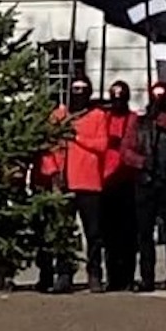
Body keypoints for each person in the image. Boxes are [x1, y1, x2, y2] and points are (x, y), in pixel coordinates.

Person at [121, 82, 166, 292]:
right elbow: (125, 150)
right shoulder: (139, 122)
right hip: (146, 182)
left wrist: (161, 118)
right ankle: (147, 277)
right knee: (144, 233)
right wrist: (141, 162)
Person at [38, 75, 109, 293]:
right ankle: (64, 274)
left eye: (82, 89)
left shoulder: (97, 115)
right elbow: (47, 146)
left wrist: (77, 137)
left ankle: (95, 273)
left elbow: (102, 145)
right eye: (74, 89)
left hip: (89, 182)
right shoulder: (58, 116)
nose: (78, 93)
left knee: (93, 233)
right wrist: (51, 171)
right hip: (63, 181)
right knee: (62, 231)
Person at [101, 80, 139, 291]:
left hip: (127, 178)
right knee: (109, 233)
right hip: (107, 180)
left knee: (128, 232)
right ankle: (112, 276)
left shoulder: (134, 119)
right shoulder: (104, 118)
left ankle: (128, 275)